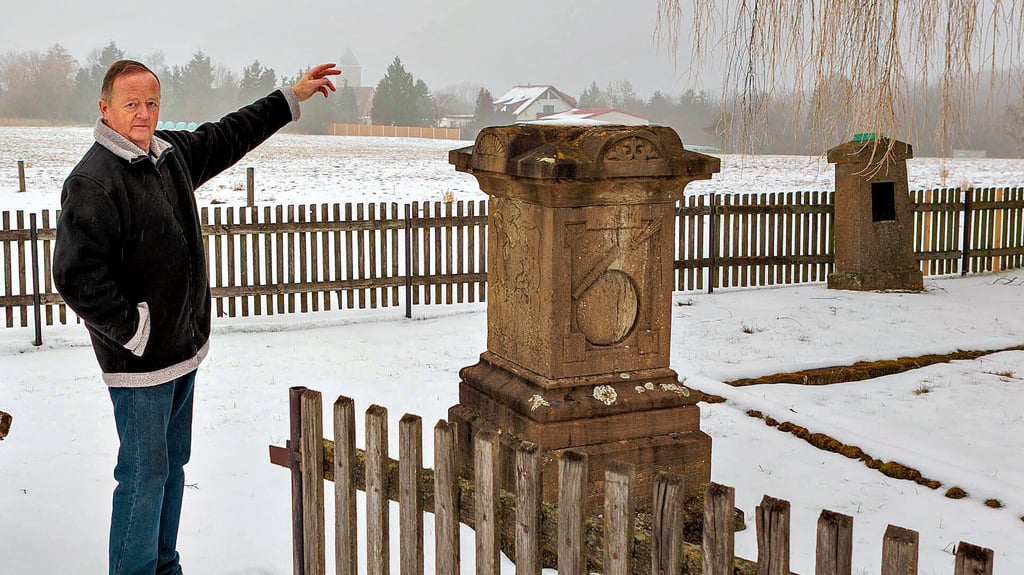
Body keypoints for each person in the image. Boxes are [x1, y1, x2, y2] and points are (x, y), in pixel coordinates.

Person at [52, 59, 341, 575]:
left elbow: (230, 133)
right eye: (131, 104)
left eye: (151, 103)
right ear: (105, 108)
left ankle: (162, 566)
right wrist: (137, 330)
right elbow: (77, 277)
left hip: (183, 352)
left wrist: (289, 97)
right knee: (144, 473)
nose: (143, 114)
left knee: (171, 468)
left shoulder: (170, 155)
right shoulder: (93, 181)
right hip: (141, 365)